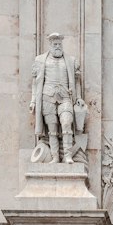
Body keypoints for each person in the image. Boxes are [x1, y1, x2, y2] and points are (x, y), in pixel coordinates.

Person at [30, 33, 81, 164]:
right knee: (52, 131)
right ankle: (55, 157)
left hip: (65, 97)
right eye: (55, 44)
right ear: (50, 45)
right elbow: (35, 82)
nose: (57, 46)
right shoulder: (40, 60)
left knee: (66, 123)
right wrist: (33, 101)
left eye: (59, 44)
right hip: (47, 97)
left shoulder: (70, 60)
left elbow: (77, 81)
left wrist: (79, 97)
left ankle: (68, 155)